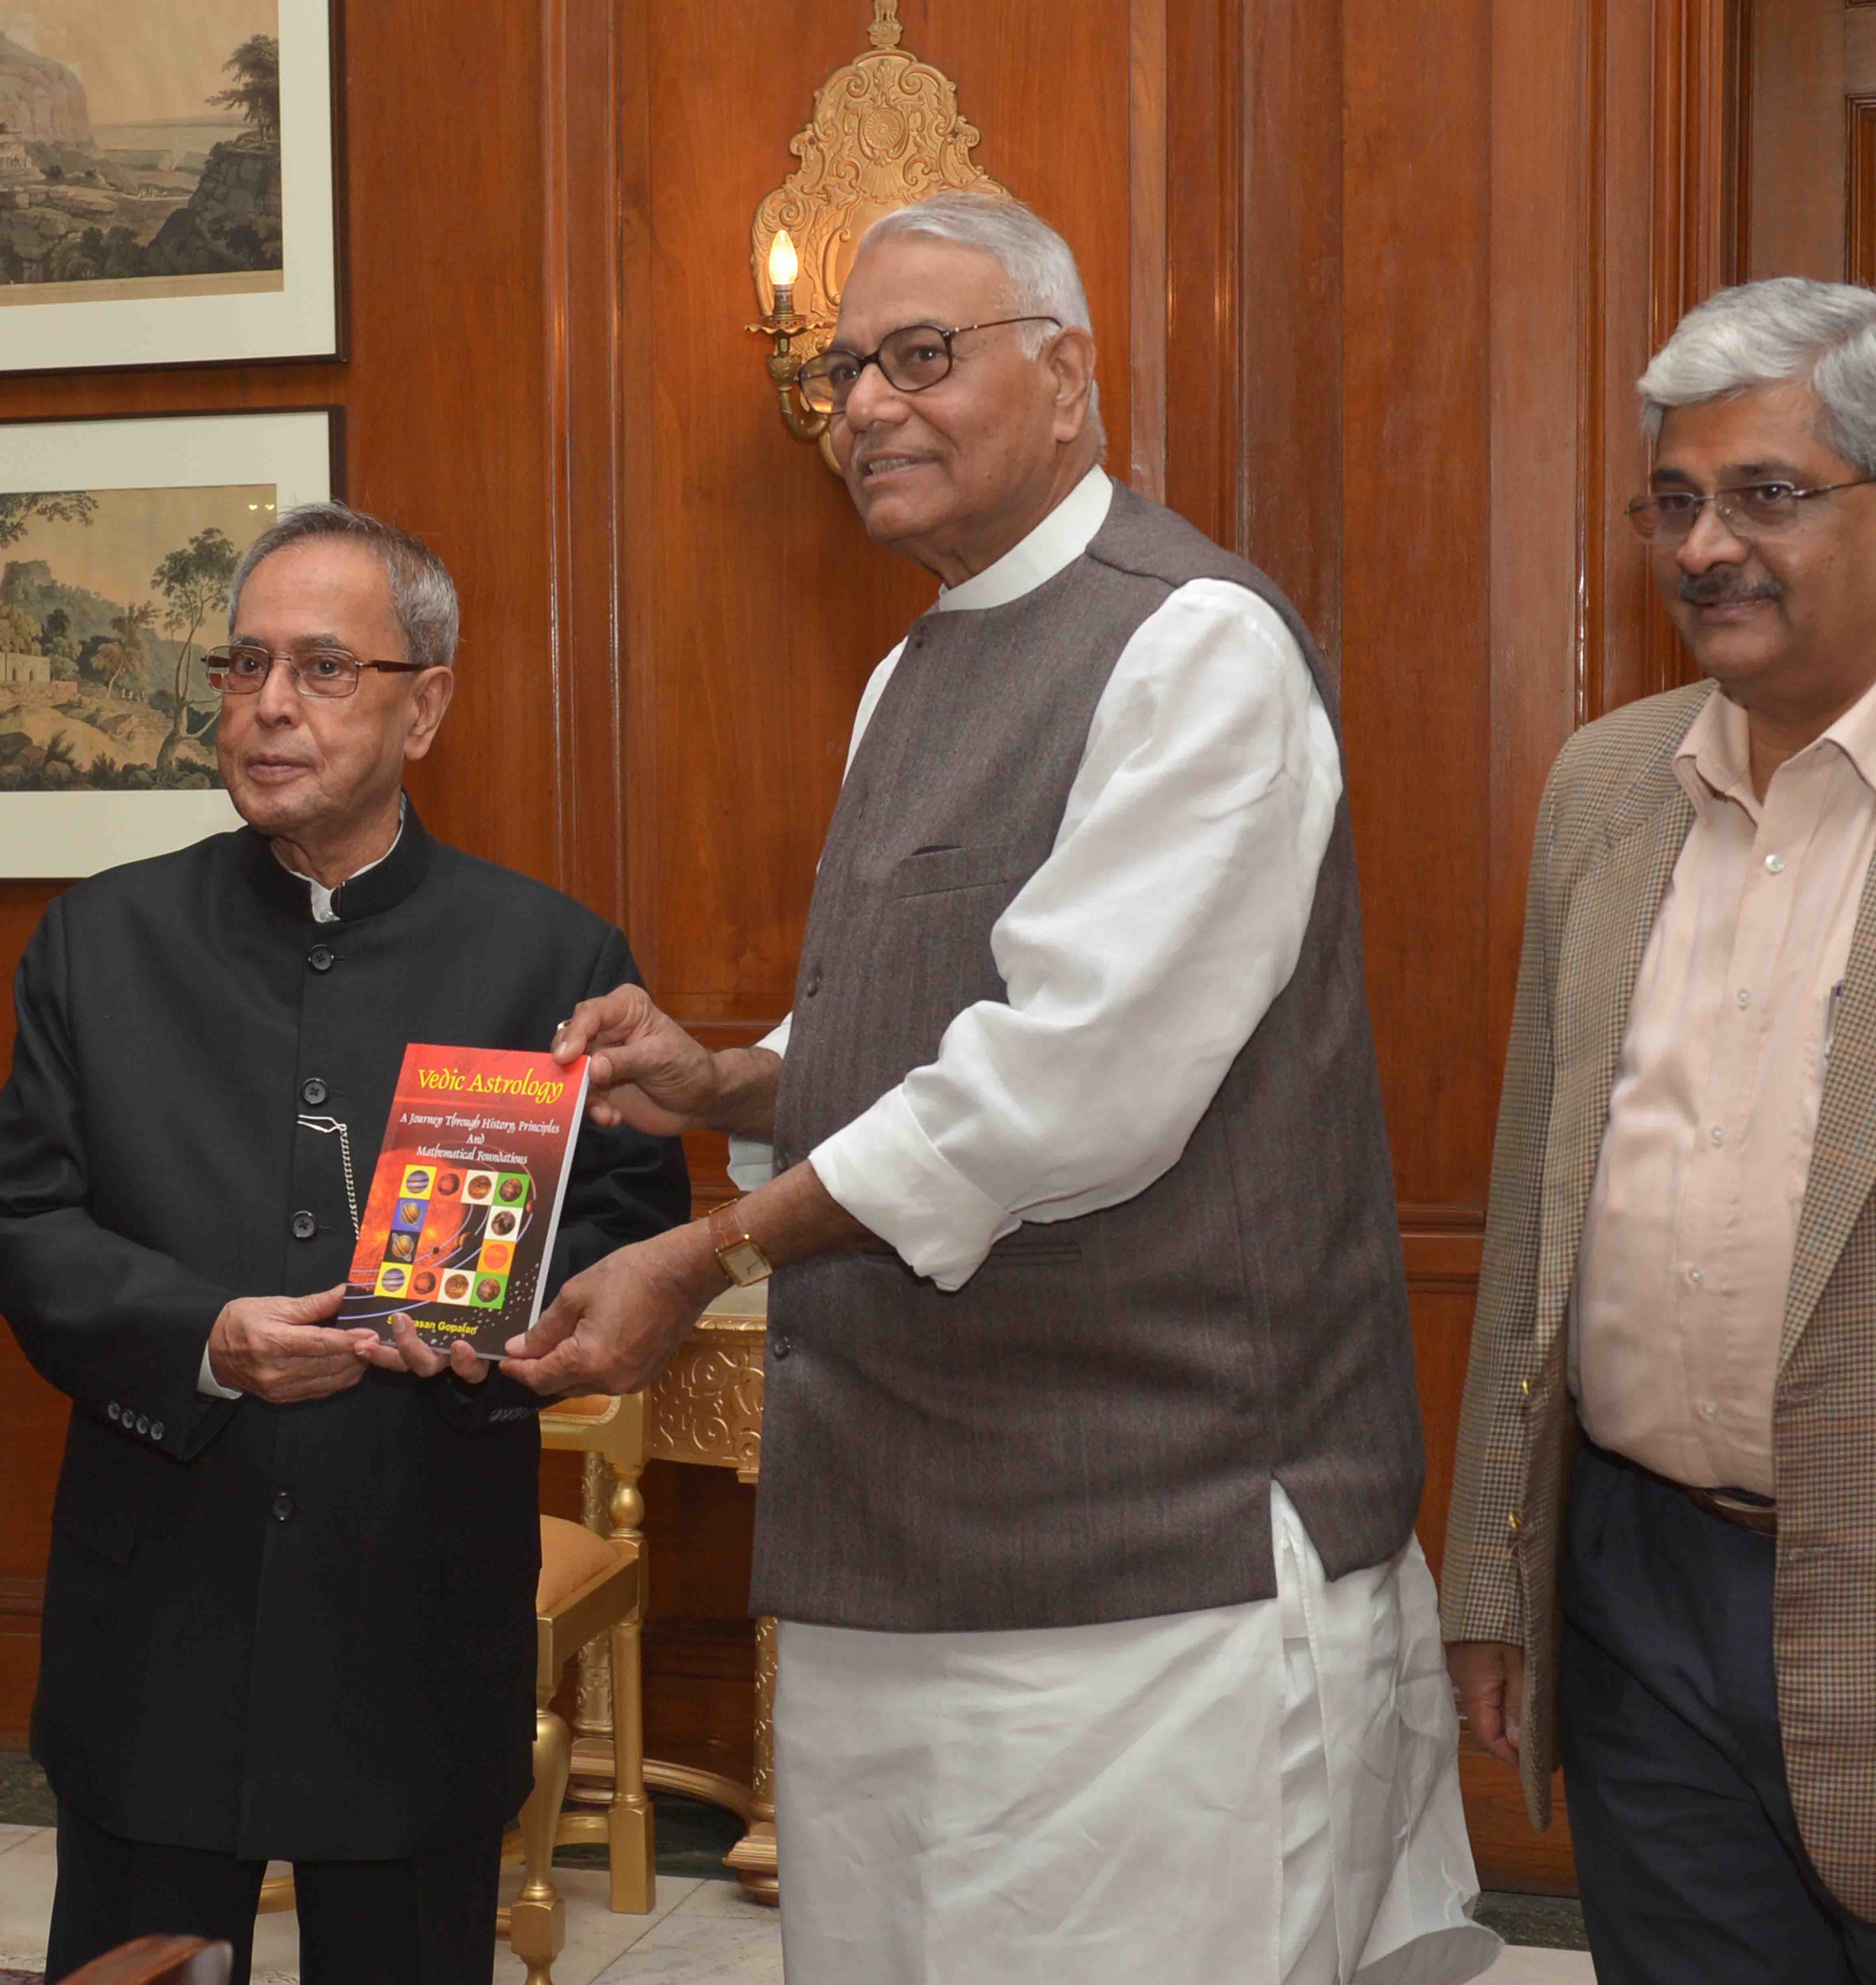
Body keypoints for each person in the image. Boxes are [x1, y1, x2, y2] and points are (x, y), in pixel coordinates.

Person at [508, 192, 1494, 1985]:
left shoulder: (1193, 642)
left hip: (1145, 1577)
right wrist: (722, 1074)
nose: (867, 406)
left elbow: (1066, 1088)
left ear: (1068, 376)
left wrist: (707, 1251)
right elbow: (933, 1024)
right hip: (905, 1552)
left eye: (921, 357)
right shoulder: (914, 664)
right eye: (842, 370)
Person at [1440, 277, 1876, 1980]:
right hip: (1638, 1593)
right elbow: (1538, 1204)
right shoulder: (1605, 786)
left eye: (1765, 495)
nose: (1701, 546)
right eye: (1672, 500)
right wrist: (1494, 1574)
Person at [0, 502, 689, 1985]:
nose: (269, 705)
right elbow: (13, 1217)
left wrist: (509, 1337)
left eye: (323, 669)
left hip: (410, 1603)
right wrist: (202, 1339)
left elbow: (624, 1233)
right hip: (159, 1605)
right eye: (242, 667)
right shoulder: (101, 942)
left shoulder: (549, 959)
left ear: (428, 707)